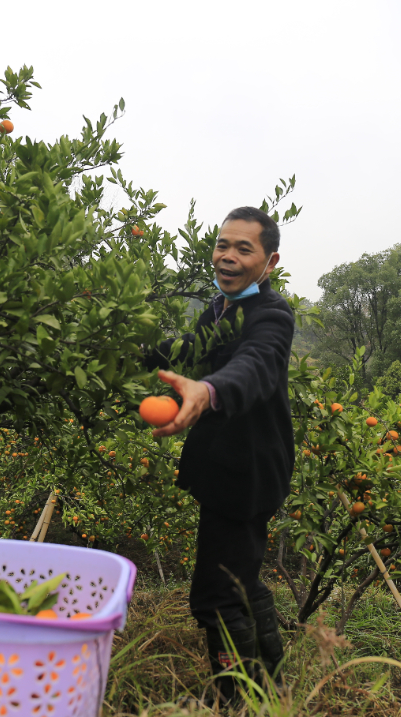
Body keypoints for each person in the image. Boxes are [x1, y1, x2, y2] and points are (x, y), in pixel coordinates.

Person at [146, 206, 295, 703]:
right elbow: (188, 348)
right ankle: (269, 686)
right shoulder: (221, 308)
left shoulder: (271, 315)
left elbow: (254, 366)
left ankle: (233, 699)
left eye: (243, 248)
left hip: (247, 472)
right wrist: (127, 347)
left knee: (216, 596)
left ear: (269, 261)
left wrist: (207, 392)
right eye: (222, 245)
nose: (228, 257)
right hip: (229, 467)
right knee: (243, 581)